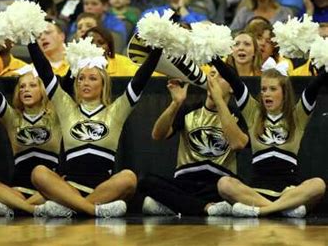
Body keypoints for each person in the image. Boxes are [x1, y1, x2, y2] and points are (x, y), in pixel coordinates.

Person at [27, 36, 163, 217]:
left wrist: (158, 49)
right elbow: (45, 72)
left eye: (92, 78)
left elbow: (140, 80)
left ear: (103, 83)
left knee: (128, 177)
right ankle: (92, 210)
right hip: (70, 187)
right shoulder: (66, 107)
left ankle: (72, 209)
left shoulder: (116, 110)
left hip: (104, 188)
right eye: (81, 78)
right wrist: (29, 40)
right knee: (39, 172)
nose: (85, 82)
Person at [212, 56, 327, 217]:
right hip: (256, 191)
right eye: (264, 89)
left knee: (318, 184)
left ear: (284, 93)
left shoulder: (297, 115)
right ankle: (284, 210)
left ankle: (261, 211)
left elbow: (314, 86)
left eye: (273, 89)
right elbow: (233, 80)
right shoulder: (254, 112)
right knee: (224, 184)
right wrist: (213, 57)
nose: (267, 93)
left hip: (290, 191)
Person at [139, 66, 249, 216]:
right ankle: (206, 208)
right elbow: (157, 135)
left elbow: (238, 144)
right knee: (146, 180)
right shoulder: (189, 110)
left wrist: (218, 100)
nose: (213, 80)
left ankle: (175, 207)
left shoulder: (237, 116)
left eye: (221, 77)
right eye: (211, 74)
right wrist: (176, 103)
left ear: (232, 87)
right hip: (185, 183)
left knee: (236, 188)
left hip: (217, 185)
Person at [0, 69, 62, 217]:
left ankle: (17, 208)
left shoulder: (56, 116)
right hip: (18, 191)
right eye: (22, 86)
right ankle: (32, 209)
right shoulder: (12, 118)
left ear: (43, 89)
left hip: (47, 191)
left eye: (32, 85)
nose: (26, 89)